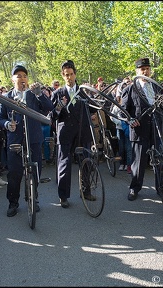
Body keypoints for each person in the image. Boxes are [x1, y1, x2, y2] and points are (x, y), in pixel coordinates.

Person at [0, 65, 53, 217]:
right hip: (15, 140)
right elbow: (0, 118)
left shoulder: (33, 95)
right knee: (14, 173)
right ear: (12, 79)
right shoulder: (5, 97)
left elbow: (49, 107)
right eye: (18, 76)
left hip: (34, 138)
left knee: (35, 171)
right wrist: (7, 124)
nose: (22, 79)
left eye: (24, 76)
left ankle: (33, 199)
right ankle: (13, 202)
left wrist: (40, 94)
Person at [121, 57, 163, 201]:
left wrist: (162, 105)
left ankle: (161, 188)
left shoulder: (156, 87)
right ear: (137, 71)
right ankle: (134, 188)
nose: (146, 71)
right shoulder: (130, 89)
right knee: (139, 162)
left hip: (155, 129)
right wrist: (130, 119)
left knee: (159, 160)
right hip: (139, 131)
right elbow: (123, 110)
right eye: (143, 69)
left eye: (147, 69)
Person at [50, 60, 97, 208]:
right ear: (62, 76)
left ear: (75, 74)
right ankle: (63, 196)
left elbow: (93, 109)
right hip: (65, 133)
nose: (69, 78)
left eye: (71, 74)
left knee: (86, 163)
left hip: (83, 133)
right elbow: (52, 116)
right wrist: (59, 107)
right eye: (66, 75)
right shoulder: (58, 93)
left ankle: (86, 191)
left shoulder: (83, 92)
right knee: (64, 164)